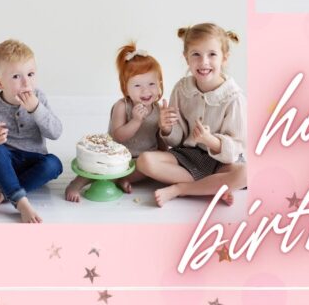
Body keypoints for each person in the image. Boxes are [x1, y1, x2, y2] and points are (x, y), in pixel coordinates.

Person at [136, 23, 246, 207]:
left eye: (212, 54)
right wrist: (167, 127)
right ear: (186, 58)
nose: (203, 62)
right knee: (144, 161)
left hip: (222, 162)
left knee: (245, 174)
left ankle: (180, 189)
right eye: (196, 54)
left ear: (224, 58)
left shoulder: (234, 98)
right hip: (190, 157)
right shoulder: (182, 89)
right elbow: (176, 142)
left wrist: (210, 140)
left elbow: (236, 148)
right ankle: (211, 187)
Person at [65, 44, 163, 202]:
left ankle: (123, 178)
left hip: (141, 159)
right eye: (137, 85)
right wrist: (136, 121)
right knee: (99, 167)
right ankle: (76, 184)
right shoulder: (122, 107)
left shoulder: (158, 109)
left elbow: (158, 138)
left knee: (148, 168)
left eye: (151, 84)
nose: (145, 91)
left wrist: (165, 152)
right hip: (114, 155)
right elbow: (118, 136)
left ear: (160, 84)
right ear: (126, 88)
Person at [0, 39, 63, 223]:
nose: (26, 82)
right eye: (16, 77)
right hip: (4, 164)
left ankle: (4, 193)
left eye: (31, 74)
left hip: (34, 161)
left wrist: (36, 109)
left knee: (54, 164)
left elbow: (56, 132)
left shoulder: (39, 97)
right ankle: (21, 202)